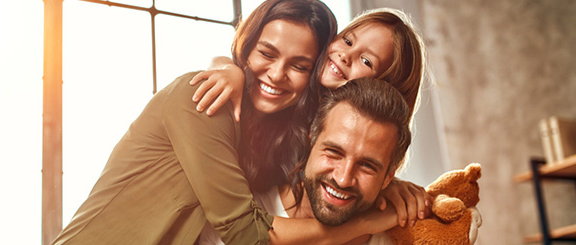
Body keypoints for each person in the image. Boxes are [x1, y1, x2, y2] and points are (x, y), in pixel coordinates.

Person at [52, 1, 405, 244]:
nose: (277, 74)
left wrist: (389, 189)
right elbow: (248, 235)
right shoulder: (202, 100)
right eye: (266, 54)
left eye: (299, 66)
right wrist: (367, 222)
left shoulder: (288, 135)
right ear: (246, 45)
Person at [190, 7, 429, 228]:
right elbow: (230, 61)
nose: (345, 55)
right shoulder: (295, 85)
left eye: (366, 61)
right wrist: (230, 70)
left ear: (383, 89)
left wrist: (389, 185)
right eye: (347, 40)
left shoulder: (351, 161)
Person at [199, 78, 412, 244]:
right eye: (334, 152)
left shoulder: (397, 237)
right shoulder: (233, 223)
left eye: (367, 166)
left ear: (388, 178)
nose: (344, 178)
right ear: (310, 143)